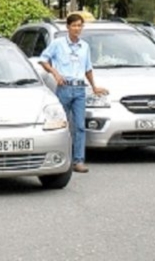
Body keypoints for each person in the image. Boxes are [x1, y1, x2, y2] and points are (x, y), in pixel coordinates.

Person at [39, 14, 108, 174]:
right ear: (68, 27)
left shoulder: (84, 46)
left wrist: (94, 86)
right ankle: (60, 157)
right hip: (64, 88)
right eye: (74, 25)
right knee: (61, 124)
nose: (77, 29)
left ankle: (79, 160)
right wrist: (55, 73)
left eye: (80, 26)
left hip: (79, 89)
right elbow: (43, 59)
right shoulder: (58, 44)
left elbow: (88, 68)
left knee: (79, 126)